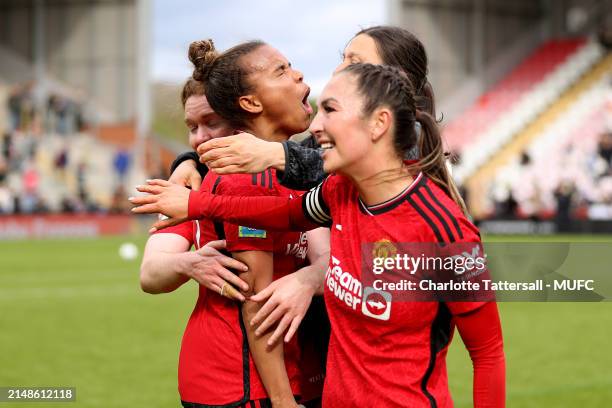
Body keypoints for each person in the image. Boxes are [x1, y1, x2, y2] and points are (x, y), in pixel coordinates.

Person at [131, 63, 505, 407]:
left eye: (330, 110)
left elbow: (487, 351)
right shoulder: (339, 193)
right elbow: (286, 213)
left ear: (378, 124)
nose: (315, 127)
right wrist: (196, 202)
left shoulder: (444, 230)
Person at [141, 40, 329, 407]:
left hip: (281, 368)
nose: (200, 138)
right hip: (242, 381)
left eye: (210, 123)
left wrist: (310, 278)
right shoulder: (241, 180)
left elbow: (317, 236)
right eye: (191, 127)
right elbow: (255, 299)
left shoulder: (288, 168)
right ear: (249, 104)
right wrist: (282, 400)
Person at [168, 26, 440, 192]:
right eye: (342, 59)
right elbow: (296, 206)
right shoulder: (331, 141)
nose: (338, 70)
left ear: (395, 77)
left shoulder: (411, 136)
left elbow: (344, 166)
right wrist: (191, 163)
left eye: (355, 61)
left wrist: (274, 154)